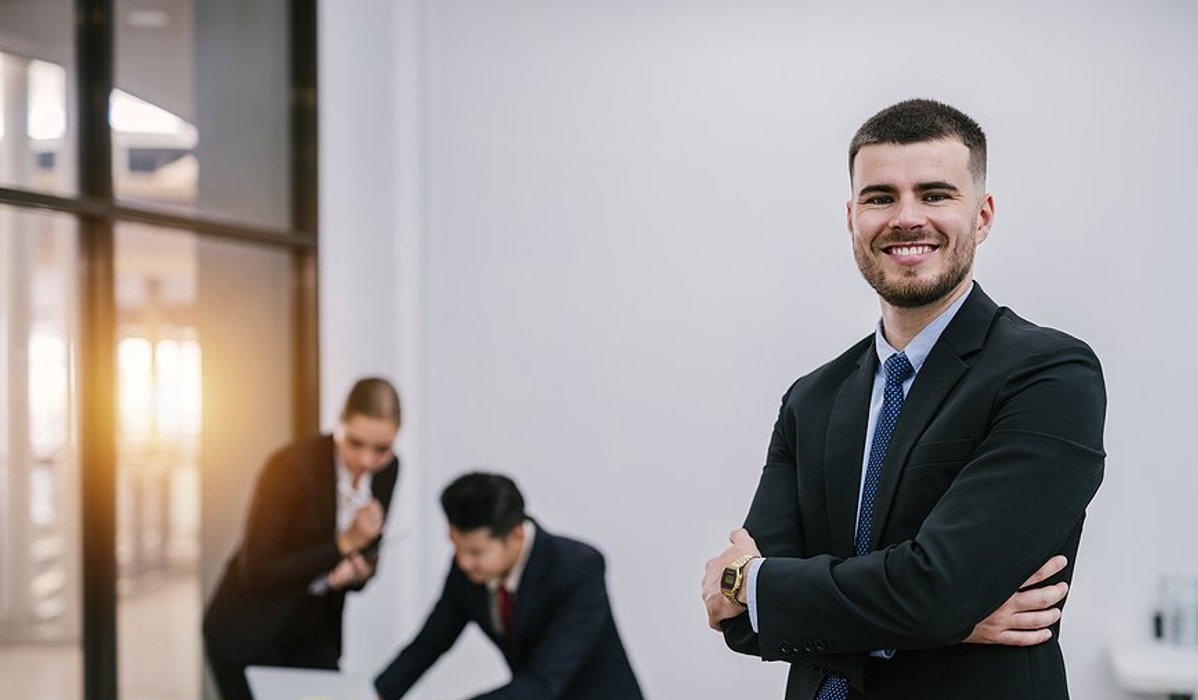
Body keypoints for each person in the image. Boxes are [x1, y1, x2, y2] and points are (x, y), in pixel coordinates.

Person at [700, 99, 1107, 699]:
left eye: (937, 195)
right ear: (851, 217)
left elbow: (935, 592)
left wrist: (768, 588)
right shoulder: (810, 399)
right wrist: (939, 620)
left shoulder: (1048, 375)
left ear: (983, 215)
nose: (906, 218)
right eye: (880, 197)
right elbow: (742, 622)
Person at [203, 377, 402, 700]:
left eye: (382, 449)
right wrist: (344, 544)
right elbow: (257, 570)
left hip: (314, 633)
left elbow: (367, 552)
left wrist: (358, 574)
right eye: (355, 443)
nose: (367, 460)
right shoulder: (291, 466)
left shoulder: (388, 471)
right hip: (249, 629)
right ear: (339, 424)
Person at [373, 472, 645, 700]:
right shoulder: (468, 571)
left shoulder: (577, 569)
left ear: (515, 535)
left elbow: (542, 680)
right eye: (456, 547)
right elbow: (428, 646)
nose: (463, 562)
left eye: (476, 552)